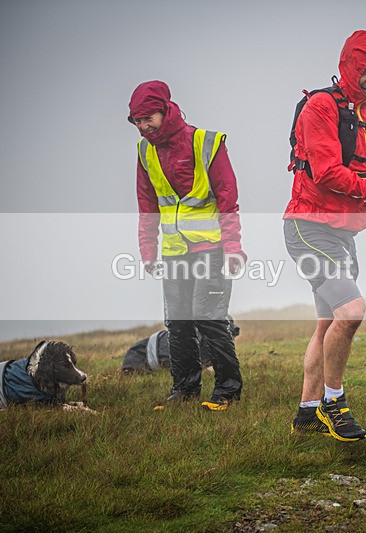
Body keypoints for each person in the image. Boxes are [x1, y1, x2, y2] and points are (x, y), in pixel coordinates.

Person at [284, 30, 366, 441]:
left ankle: (305, 414)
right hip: (307, 227)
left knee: (327, 324)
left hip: (343, 233)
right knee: (351, 313)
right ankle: (333, 403)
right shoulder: (321, 106)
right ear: (348, 67)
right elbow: (325, 171)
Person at [129, 80, 244, 410]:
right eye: (136, 121)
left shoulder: (207, 143)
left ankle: (227, 391)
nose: (142, 126)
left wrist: (233, 247)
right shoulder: (144, 151)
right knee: (177, 323)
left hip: (212, 247)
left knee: (208, 318)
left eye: (147, 118)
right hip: (174, 251)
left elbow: (228, 199)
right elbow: (147, 203)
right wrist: (148, 249)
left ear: (165, 110)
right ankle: (184, 390)